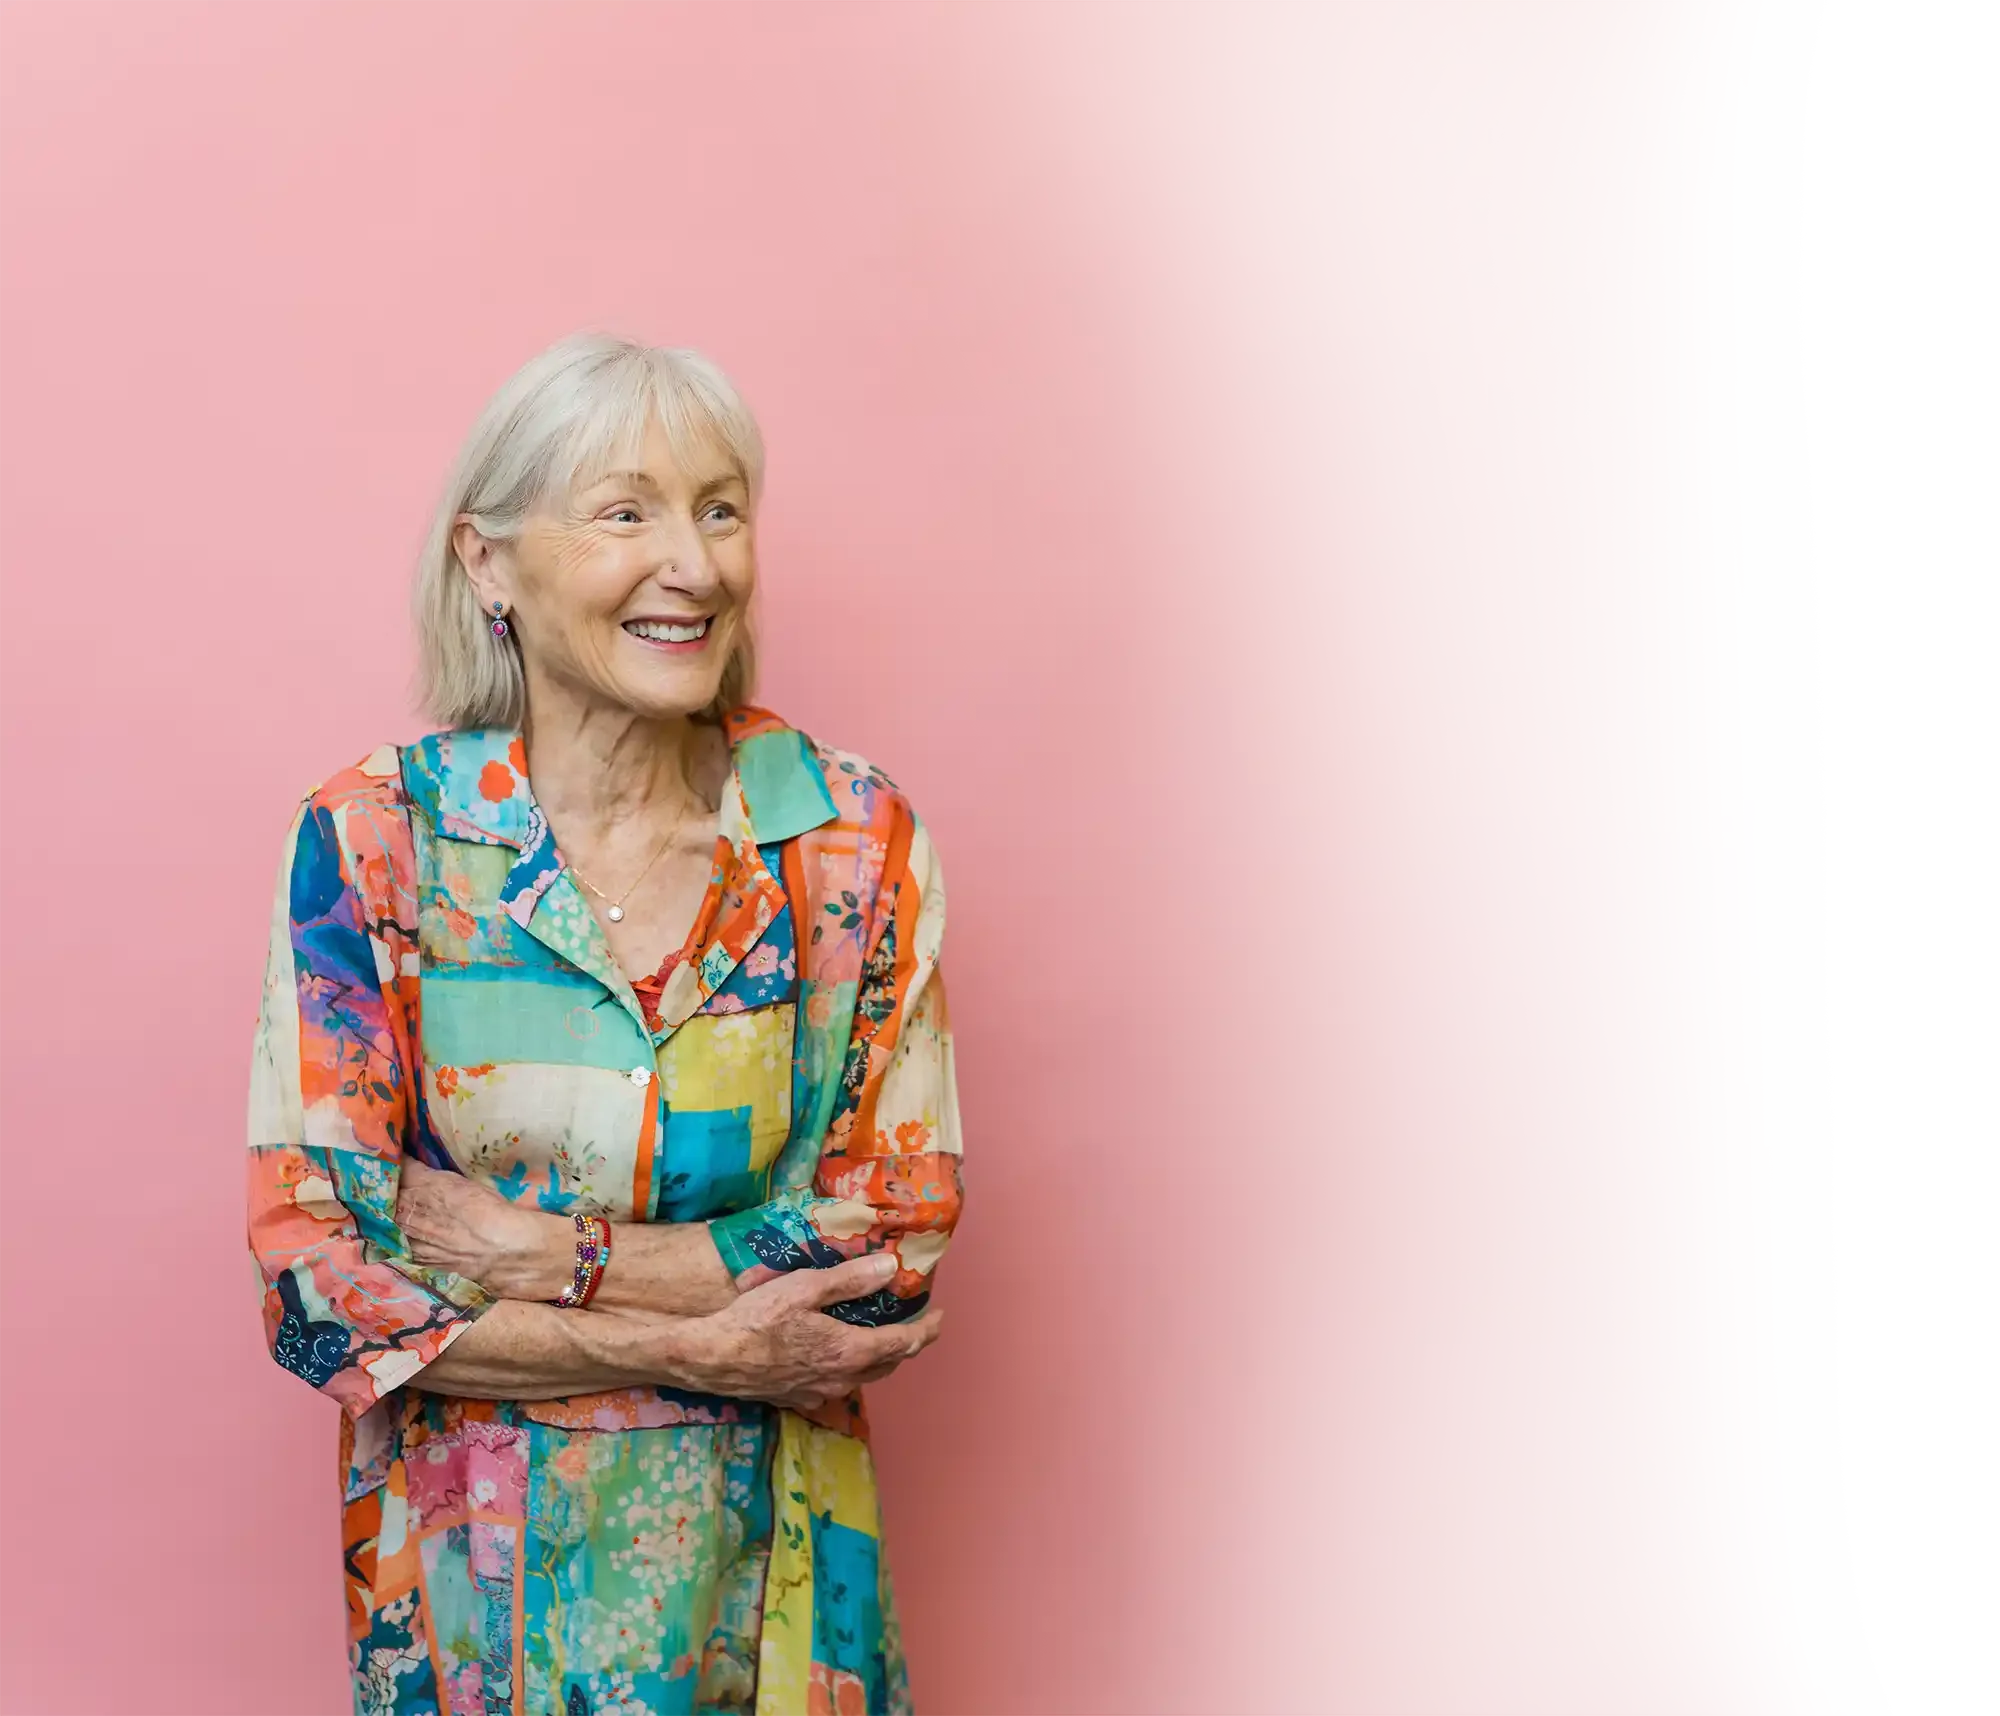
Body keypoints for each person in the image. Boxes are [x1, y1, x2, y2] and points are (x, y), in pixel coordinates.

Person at [245, 332, 963, 1716]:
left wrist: (540, 1256)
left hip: (780, 1593)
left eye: (720, 508)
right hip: (474, 1611)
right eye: (625, 512)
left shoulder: (845, 838)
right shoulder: (380, 842)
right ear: (488, 562)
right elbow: (322, 1286)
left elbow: (892, 1237)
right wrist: (694, 1339)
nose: (690, 564)